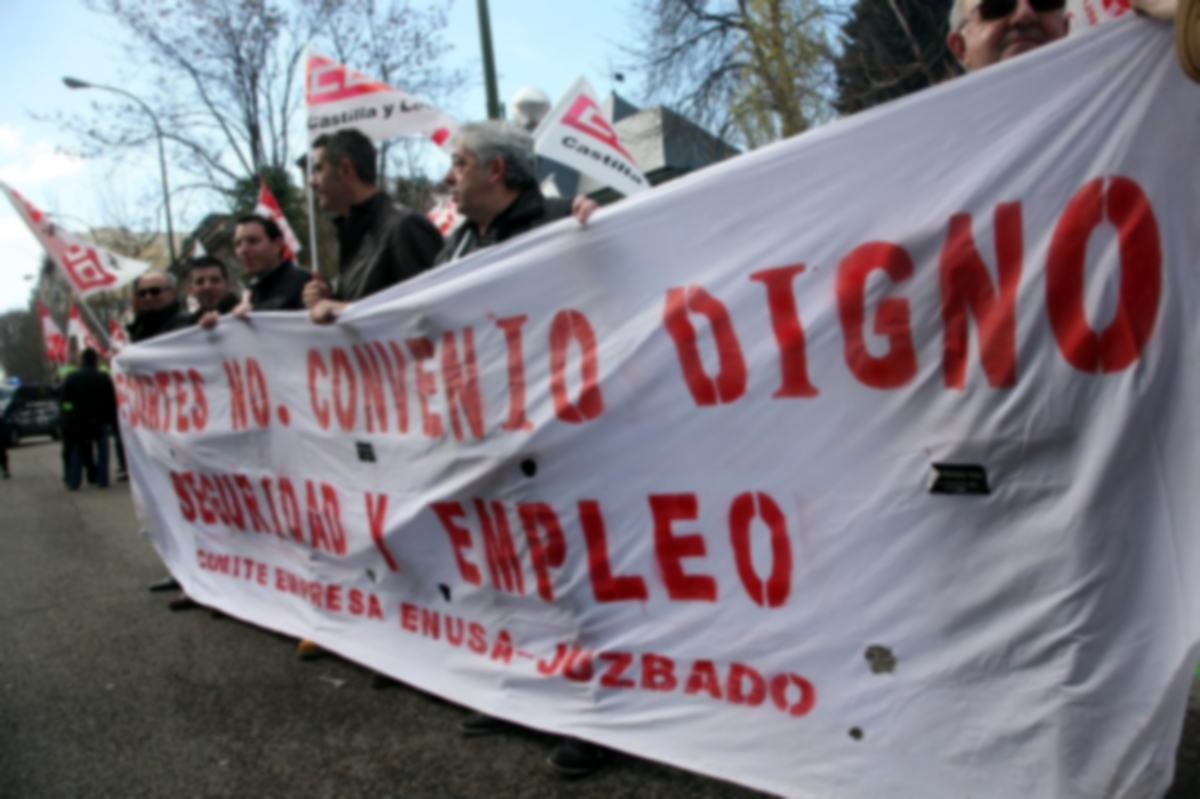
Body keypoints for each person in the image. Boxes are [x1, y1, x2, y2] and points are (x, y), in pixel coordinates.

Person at [431, 120, 608, 779]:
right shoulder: (454, 246)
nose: (449, 176)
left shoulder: (563, 221)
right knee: (506, 569)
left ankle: (593, 714)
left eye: (459, 163)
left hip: (561, 436)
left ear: (495, 170)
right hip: (484, 435)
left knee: (576, 578)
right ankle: (523, 690)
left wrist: (603, 223)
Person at [302, 128, 444, 324]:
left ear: (345, 170)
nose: (311, 181)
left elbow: (432, 311)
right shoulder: (352, 234)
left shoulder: (404, 226)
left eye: (319, 169)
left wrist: (345, 309)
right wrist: (330, 299)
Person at [946, 0, 1177, 72]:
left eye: (1044, 2)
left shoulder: (1129, 93)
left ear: (1065, 29)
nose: (1025, 15)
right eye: (998, 6)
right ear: (960, 47)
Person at [230, 214, 310, 316]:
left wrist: (255, 312)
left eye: (252, 241)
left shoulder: (305, 282)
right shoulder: (251, 293)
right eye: (238, 244)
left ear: (277, 245)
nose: (243, 250)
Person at [60, 348, 117, 490]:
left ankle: (74, 481)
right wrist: (111, 419)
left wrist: (71, 416)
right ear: (95, 360)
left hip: (80, 420)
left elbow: (65, 400)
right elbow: (111, 401)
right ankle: (102, 479)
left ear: (82, 360)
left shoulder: (72, 377)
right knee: (103, 450)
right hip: (100, 419)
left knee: (79, 450)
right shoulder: (103, 377)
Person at [127, 272, 192, 343]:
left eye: (155, 291)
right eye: (142, 293)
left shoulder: (184, 324)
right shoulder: (141, 326)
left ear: (173, 293)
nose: (148, 297)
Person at [189, 255, 241, 328]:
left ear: (228, 285)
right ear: (191, 290)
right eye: (200, 282)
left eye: (215, 280)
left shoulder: (249, 313)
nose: (207, 287)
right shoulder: (187, 326)